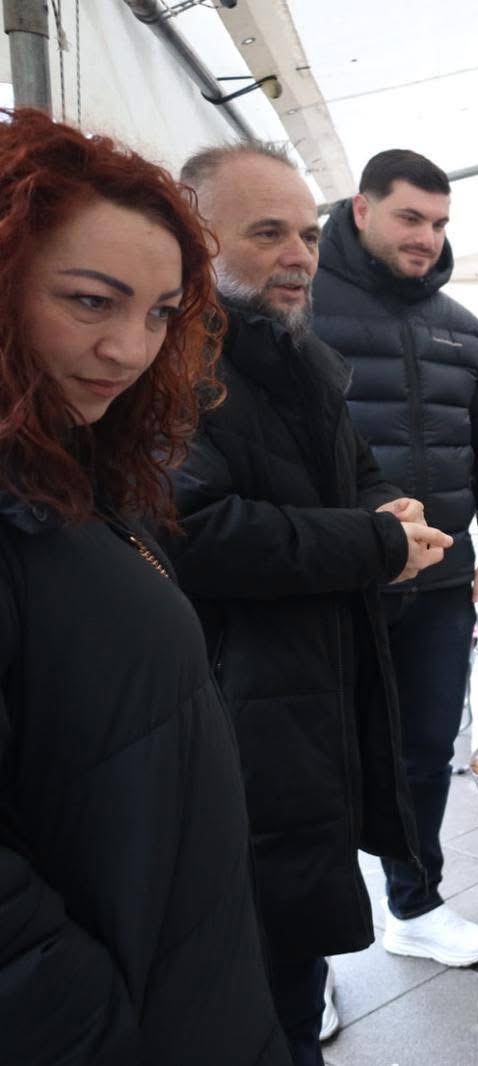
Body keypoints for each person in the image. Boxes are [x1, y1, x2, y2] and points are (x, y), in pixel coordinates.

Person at [0, 110, 289, 1066]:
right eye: (92, 301)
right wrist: (95, 1027)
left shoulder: (73, 468)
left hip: (184, 975)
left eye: (162, 313)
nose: (130, 348)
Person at [171, 142, 452, 1064]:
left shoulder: (293, 354)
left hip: (304, 685)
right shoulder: (174, 362)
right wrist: (376, 544)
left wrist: (391, 512)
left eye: (305, 234)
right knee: (256, 969)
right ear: (196, 240)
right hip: (237, 699)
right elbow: (197, 528)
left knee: (293, 945)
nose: (299, 255)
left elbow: (355, 475)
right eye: (267, 233)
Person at [311, 149, 478, 969]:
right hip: (329, 580)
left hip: (438, 582)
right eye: (410, 217)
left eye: (438, 223)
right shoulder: (299, 308)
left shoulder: (462, 328)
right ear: (362, 210)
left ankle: (415, 902)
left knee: (425, 750)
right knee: (315, 759)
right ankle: (305, 953)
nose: (427, 238)